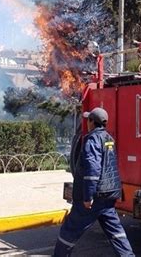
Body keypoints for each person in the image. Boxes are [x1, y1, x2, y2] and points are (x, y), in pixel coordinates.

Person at [54, 107, 134, 257]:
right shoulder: (109, 139)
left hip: (94, 197)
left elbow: (93, 169)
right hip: (108, 195)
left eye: (88, 120)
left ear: (92, 122)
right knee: (116, 233)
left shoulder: (92, 140)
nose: (87, 123)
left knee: (69, 231)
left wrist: (88, 197)